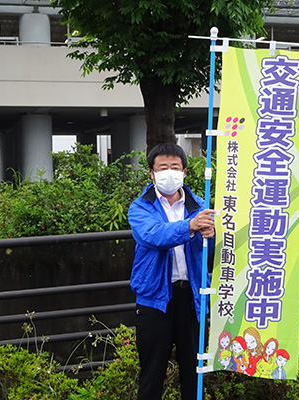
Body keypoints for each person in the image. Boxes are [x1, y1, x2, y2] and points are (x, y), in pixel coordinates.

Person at [128, 143, 215, 400]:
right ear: (152, 174)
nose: (169, 172)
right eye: (162, 167)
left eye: (174, 167)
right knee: (152, 374)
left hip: (192, 299)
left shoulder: (199, 206)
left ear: (185, 172)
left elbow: (208, 253)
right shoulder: (141, 207)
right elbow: (153, 235)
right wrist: (190, 226)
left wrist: (210, 234)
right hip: (155, 300)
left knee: (194, 372)